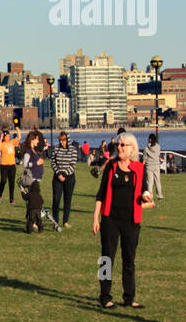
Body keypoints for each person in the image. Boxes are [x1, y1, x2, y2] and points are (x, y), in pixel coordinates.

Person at [93, 133, 154, 309]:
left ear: (132, 148)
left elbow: (144, 191)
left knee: (129, 260)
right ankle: (105, 296)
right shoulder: (111, 167)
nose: (119, 147)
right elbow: (101, 194)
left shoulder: (139, 169)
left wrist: (146, 197)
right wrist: (95, 218)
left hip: (131, 220)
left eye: (123, 145)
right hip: (110, 219)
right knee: (106, 259)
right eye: (118, 144)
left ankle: (129, 298)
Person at [49, 131, 78, 231]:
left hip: (69, 177)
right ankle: (55, 221)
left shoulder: (73, 150)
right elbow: (52, 162)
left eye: (63, 140)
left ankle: (65, 221)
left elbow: (73, 164)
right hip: (57, 177)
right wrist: (58, 174)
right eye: (60, 140)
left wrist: (64, 174)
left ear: (67, 140)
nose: (62, 142)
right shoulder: (56, 148)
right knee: (56, 199)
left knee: (67, 199)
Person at [0, 131, 17, 204]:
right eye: (7, 136)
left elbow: (19, 137)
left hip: (12, 165)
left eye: (9, 136)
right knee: (3, 181)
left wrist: (17, 128)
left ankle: (11, 198)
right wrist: (0, 138)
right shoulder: (2, 144)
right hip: (4, 165)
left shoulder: (12, 142)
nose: (8, 138)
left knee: (12, 182)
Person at [144, 133, 164, 200]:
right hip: (156, 165)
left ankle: (150, 196)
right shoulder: (158, 146)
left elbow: (144, 159)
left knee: (150, 182)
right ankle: (160, 196)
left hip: (149, 166)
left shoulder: (146, 148)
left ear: (150, 139)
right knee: (158, 181)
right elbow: (158, 154)